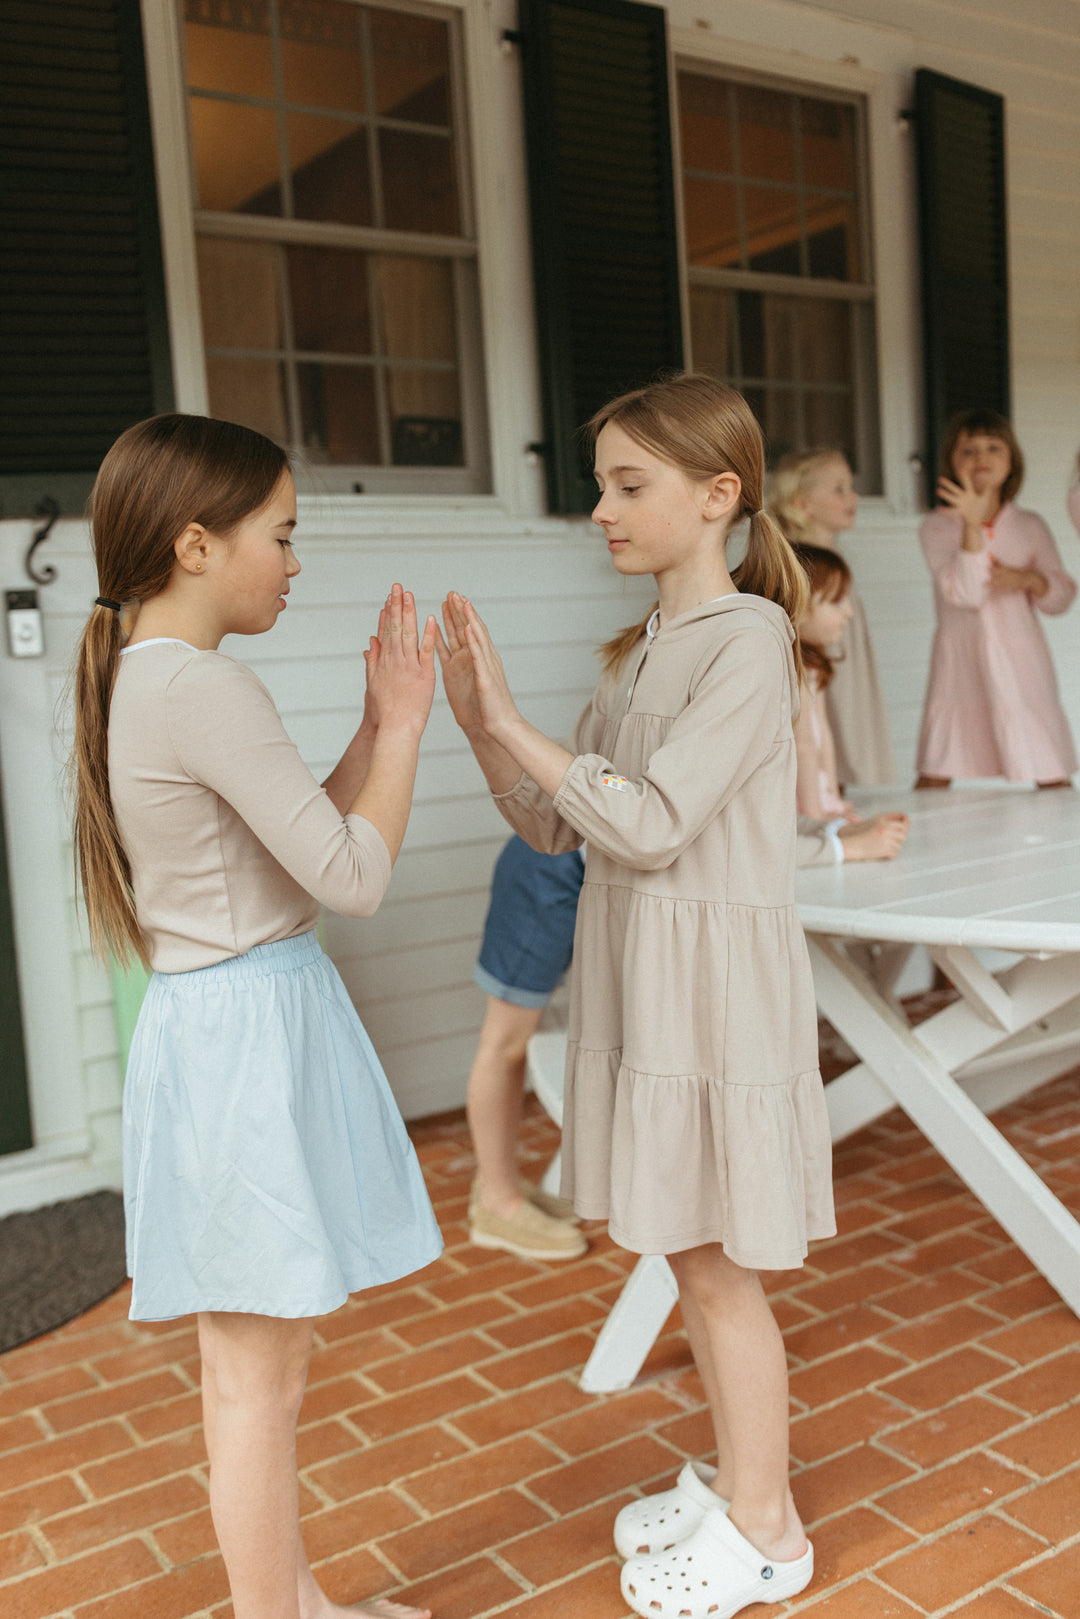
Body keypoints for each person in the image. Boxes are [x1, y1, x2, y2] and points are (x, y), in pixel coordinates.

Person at [437, 373, 834, 1619]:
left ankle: (768, 1529)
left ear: (717, 496)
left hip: (709, 990)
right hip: (645, 981)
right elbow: (565, 824)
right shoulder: (647, 645)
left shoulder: (752, 641)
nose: (601, 508)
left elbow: (653, 823)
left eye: (627, 485)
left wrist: (514, 715)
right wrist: (481, 729)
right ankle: (737, 1479)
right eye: (601, 482)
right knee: (681, 1243)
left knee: (716, 1264)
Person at [70, 414, 441, 1619]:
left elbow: (293, 849)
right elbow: (354, 877)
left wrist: (377, 728)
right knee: (250, 1383)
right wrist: (409, 727)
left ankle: (302, 1605)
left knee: (260, 1375)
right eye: (280, 535)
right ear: (194, 543)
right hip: (240, 1041)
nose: (293, 561)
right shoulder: (202, 684)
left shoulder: (158, 676)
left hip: (233, 1030)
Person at [915, 410, 1077, 788]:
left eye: (993, 448)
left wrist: (1030, 579)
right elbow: (966, 593)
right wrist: (971, 525)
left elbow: (1062, 597)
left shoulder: (1029, 526)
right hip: (961, 661)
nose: (980, 457)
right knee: (938, 771)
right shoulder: (936, 527)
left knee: (1049, 770)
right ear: (951, 462)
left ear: (1011, 461)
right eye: (968, 450)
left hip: (1021, 659)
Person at [467, 834, 587, 1259]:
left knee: (513, 1043)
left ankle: (500, 1185)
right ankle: (496, 1203)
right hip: (546, 869)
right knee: (505, 1041)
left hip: (580, 866)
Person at [769, 449, 895, 788]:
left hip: (842, 660)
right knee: (818, 726)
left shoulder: (836, 557)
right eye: (838, 489)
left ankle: (833, 794)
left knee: (841, 726)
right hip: (815, 664)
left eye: (851, 487)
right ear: (802, 502)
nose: (852, 496)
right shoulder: (799, 562)